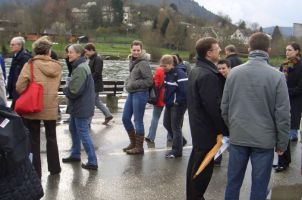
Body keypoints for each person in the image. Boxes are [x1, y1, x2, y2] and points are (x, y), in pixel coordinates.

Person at [221, 32, 290, 200]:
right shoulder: (278, 76)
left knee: (233, 183)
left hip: (239, 137)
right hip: (264, 140)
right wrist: (282, 143)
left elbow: (225, 108)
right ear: (269, 49)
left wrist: (234, 127)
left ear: (249, 48)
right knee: (259, 186)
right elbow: (283, 114)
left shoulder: (234, 73)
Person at [186, 37, 228, 200]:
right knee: (203, 168)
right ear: (209, 53)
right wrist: (224, 129)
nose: (220, 50)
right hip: (207, 130)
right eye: (217, 48)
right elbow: (213, 107)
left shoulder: (197, 70)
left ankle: (193, 196)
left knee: (195, 164)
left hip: (199, 127)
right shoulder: (208, 75)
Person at [16, 36, 62, 178]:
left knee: (34, 139)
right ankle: (54, 168)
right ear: (48, 51)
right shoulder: (57, 66)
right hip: (51, 106)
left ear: (36, 50)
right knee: (52, 137)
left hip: (34, 107)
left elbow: (19, 87)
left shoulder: (30, 65)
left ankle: (36, 171)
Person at [62, 44, 98, 170]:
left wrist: (65, 89)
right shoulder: (79, 66)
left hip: (82, 107)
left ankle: (93, 161)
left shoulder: (81, 68)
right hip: (79, 106)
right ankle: (75, 154)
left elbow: (74, 91)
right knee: (73, 129)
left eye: (71, 52)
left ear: (78, 54)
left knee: (83, 133)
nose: (68, 54)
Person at [274, 42, 302, 172]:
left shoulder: (301, 66)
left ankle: (283, 162)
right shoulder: (284, 65)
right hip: (281, 103)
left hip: (294, 103)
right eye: (286, 50)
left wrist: (284, 92)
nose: (287, 52)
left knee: (285, 132)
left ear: (297, 51)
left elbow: (300, 89)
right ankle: (283, 160)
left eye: (290, 50)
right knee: (281, 131)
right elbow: (278, 83)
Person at [122, 40, 153, 155]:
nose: (135, 52)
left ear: (141, 50)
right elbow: (132, 77)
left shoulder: (144, 63)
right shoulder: (132, 60)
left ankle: (139, 147)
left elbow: (149, 81)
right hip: (132, 93)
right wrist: (127, 83)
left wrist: (133, 84)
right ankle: (133, 143)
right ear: (131, 50)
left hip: (140, 94)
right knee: (125, 118)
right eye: (134, 50)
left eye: (138, 50)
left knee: (138, 120)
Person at [163, 54, 188, 158]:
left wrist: (177, 102)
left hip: (178, 105)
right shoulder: (168, 73)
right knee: (166, 124)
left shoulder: (180, 73)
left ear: (171, 65)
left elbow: (185, 90)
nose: (162, 67)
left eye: (164, 66)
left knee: (175, 127)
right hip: (170, 103)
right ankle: (181, 141)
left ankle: (177, 151)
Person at [145, 55, 173, 143]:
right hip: (170, 96)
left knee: (155, 117)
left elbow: (156, 84)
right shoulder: (173, 70)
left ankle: (151, 136)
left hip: (160, 97)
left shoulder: (159, 70)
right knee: (170, 119)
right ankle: (170, 137)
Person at [84, 43, 113, 125]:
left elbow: (97, 73)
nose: (85, 53)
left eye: (86, 52)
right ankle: (108, 115)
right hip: (94, 84)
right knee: (96, 102)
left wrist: (88, 80)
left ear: (91, 50)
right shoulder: (92, 59)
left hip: (95, 85)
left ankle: (88, 122)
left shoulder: (98, 59)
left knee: (91, 103)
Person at [7, 36, 32, 109]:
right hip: (15, 91)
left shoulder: (24, 58)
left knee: (16, 113)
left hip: (20, 91)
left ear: (20, 45)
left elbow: (25, 76)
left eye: (12, 44)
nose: (10, 46)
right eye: (10, 44)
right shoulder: (16, 56)